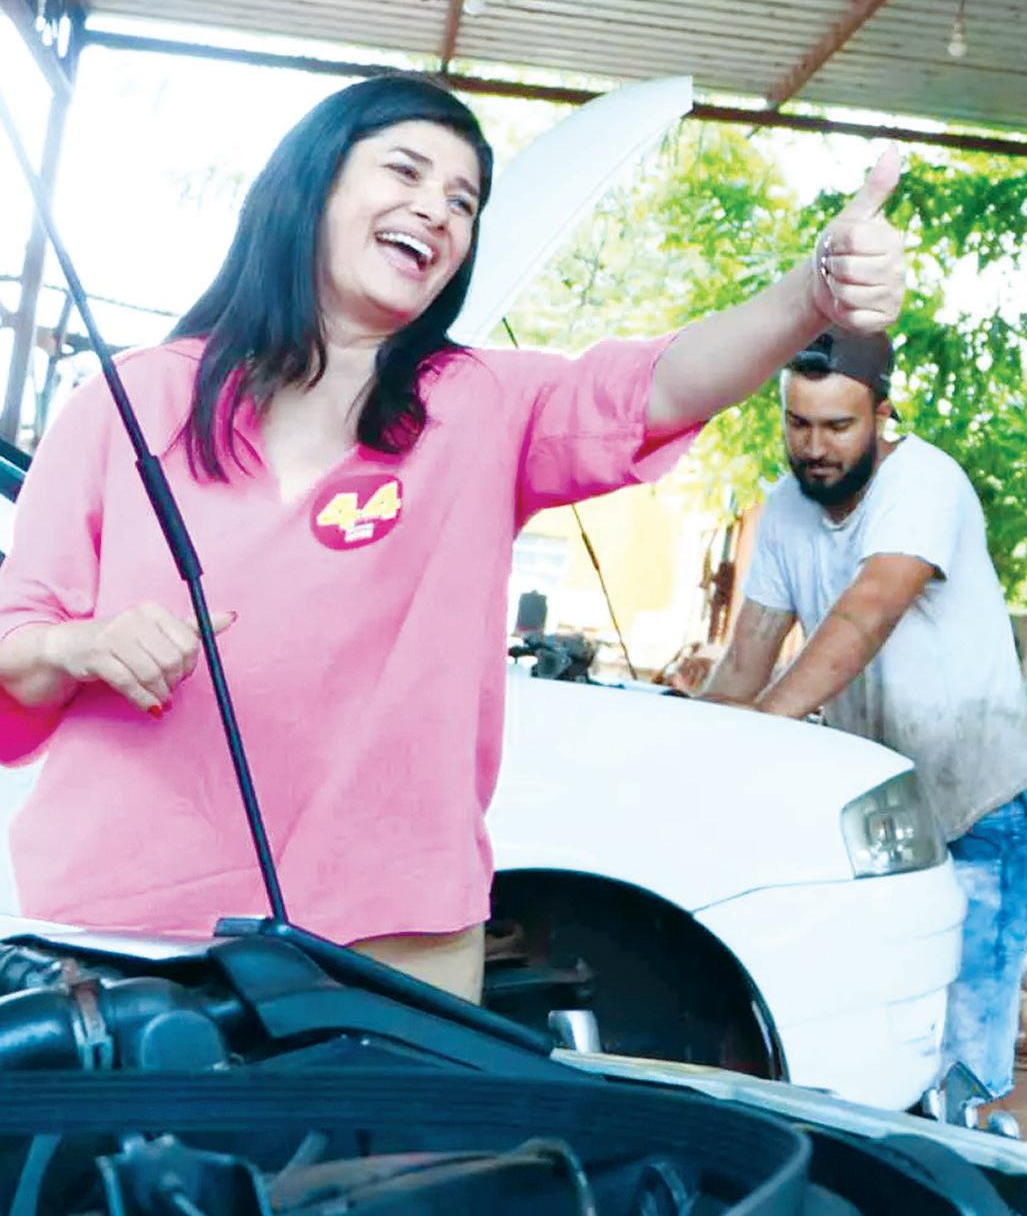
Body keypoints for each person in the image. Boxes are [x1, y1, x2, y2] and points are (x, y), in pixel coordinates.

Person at [0, 75, 908, 1001]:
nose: (437, 209)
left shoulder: (481, 405)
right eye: (405, 171)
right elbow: (14, 648)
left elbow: (665, 385)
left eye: (463, 201)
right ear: (311, 184)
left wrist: (813, 293)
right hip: (124, 934)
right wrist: (81, 645)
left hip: (397, 935)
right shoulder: (127, 401)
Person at [697, 328, 1027, 1115]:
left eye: (838, 426)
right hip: (884, 817)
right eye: (798, 424)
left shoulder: (924, 483)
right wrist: (692, 758)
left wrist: (761, 731)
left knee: (957, 1063)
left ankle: (969, 1162)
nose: (814, 448)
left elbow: (867, 613)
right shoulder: (786, 510)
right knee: (877, 1039)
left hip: (983, 810)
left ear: (883, 415)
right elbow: (746, 659)